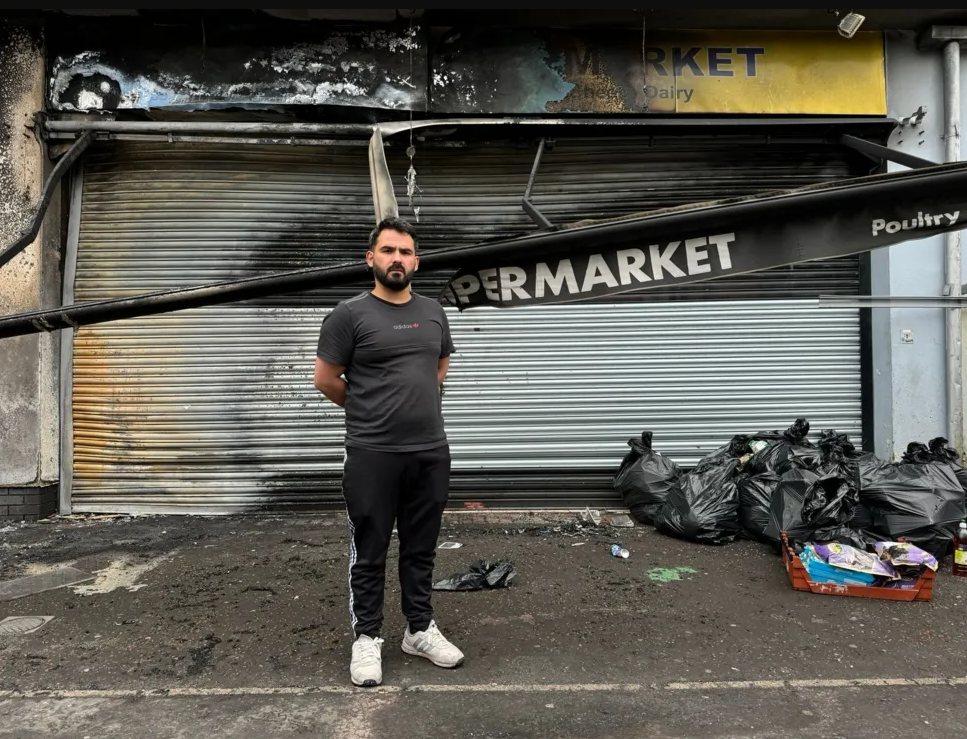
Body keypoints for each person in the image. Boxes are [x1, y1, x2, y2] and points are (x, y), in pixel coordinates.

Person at [314, 217, 465, 687]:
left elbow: (439, 365)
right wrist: (369, 410)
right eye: (388, 251)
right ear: (371, 258)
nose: (397, 259)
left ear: (415, 260)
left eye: (405, 252)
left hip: (429, 452)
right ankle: (367, 637)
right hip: (372, 454)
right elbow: (325, 379)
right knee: (371, 549)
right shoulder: (349, 315)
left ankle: (418, 630)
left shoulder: (433, 311)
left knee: (421, 549)